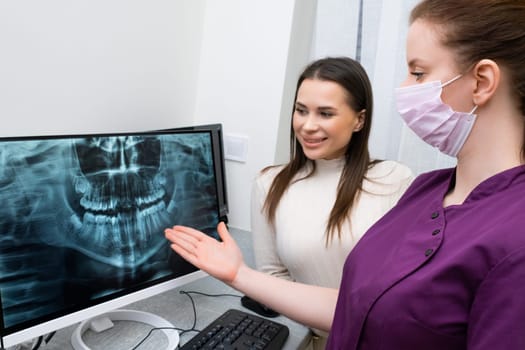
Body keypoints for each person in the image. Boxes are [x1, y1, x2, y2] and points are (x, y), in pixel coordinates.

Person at [165, 0, 525, 348]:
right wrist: (239, 275)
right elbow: (356, 309)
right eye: (301, 110)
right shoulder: (426, 190)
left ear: (481, 81)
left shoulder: (513, 235)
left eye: (418, 73)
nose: (403, 89)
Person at [250, 57, 413, 348]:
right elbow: (271, 277)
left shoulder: (394, 180)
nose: (308, 125)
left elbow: (406, 283)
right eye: (301, 111)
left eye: (325, 113)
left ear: (359, 120)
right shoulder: (269, 184)